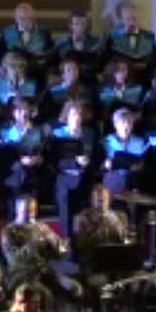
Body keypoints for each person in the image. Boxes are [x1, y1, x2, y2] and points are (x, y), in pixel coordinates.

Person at [50, 100, 99, 234]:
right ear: (67, 116)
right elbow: (54, 162)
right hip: (65, 178)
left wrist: (90, 163)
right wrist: (75, 162)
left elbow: (97, 156)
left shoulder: (90, 134)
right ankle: (67, 247)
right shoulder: (57, 135)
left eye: (79, 114)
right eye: (73, 114)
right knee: (66, 211)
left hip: (85, 177)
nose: (77, 118)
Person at [0, 98, 48, 205]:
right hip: (14, 173)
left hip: (33, 171)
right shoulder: (5, 132)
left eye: (25, 109)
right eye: (19, 110)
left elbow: (45, 153)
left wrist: (38, 159)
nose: (23, 113)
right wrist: (21, 161)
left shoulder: (38, 131)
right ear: (13, 113)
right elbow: (2, 157)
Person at [101, 107, 149, 195]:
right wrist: (105, 164)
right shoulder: (107, 141)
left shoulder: (139, 142)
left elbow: (143, 163)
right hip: (112, 179)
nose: (126, 126)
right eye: (123, 122)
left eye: (129, 122)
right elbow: (99, 163)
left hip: (133, 181)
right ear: (116, 125)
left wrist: (140, 166)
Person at [105, 0, 156, 82]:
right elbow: (108, 61)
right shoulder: (112, 38)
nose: (132, 22)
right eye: (128, 19)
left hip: (145, 79)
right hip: (122, 81)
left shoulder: (149, 36)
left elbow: (155, 60)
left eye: (134, 18)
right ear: (121, 19)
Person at [1, 2, 55, 79]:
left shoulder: (43, 31)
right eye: (22, 19)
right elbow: (1, 51)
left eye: (29, 18)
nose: (26, 22)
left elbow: (51, 50)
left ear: (33, 18)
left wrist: (44, 57)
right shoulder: (7, 32)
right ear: (16, 19)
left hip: (37, 67)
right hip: (14, 66)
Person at [54, 11, 103, 86]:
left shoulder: (96, 42)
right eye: (76, 24)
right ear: (71, 26)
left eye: (82, 24)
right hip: (69, 81)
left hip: (89, 81)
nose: (80, 27)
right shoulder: (62, 43)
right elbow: (55, 65)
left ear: (86, 25)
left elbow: (100, 65)